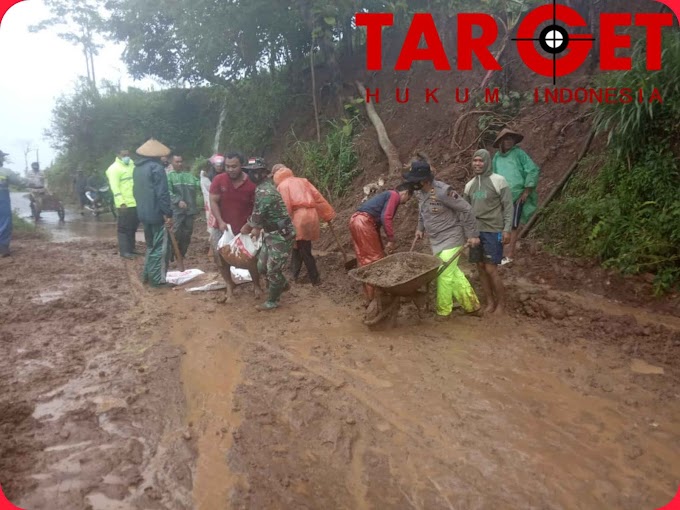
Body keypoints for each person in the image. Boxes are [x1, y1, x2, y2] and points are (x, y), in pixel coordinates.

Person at [403, 160, 481, 321]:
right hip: (436, 239)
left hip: (452, 236)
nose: (412, 183)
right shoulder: (421, 193)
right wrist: (420, 228)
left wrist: (473, 234)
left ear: (424, 180)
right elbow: (422, 212)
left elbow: (466, 208)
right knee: (453, 272)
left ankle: (444, 311)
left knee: (443, 273)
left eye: (414, 180)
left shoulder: (443, 191)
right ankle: (472, 306)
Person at [241, 159, 296, 311]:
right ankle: (282, 284)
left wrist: (249, 226)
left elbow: (257, 216)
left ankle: (273, 301)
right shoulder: (261, 189)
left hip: (281, 235)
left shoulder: (265, 191)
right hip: (271, 233)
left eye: (256, 171)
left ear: (264, 173)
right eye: (250, 172)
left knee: (273, 269)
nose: (252, 174)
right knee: (261, 266)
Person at [464, 149, 513, 314]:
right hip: (476, 233)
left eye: (481, 161)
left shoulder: (499, 181)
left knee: (491, 268)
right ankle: (489, 303)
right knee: (480, 267)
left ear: (487, 162)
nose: (477, 164)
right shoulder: (469, 186)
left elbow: (508, 206)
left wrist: (507, 229)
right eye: (475, 160)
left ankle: (501, 304)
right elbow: (466, 211)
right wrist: (469, 233)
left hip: (493, 230)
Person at [349, 182, 414, 304]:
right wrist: (391, 239)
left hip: (356, 221)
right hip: (364, 223)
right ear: (405, 193)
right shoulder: (394, 195)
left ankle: (369, 297)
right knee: (374, 261)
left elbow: (377, 225)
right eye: (408, 198)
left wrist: (381, 245)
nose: (406, 202)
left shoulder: (386, 195)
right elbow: (386, 217)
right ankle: (375, 297)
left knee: (365, 260)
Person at [272, 165, 336, 285]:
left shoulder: (282, 186)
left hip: (298, 218)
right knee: (298, 246)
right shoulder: (303, 181)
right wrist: (327, 214)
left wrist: (282, 226)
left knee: (304, 249)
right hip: (311, 215)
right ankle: (294, 275)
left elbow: (285, 208)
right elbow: (318, 198)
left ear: (275, 175)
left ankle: (315, 279)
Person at [492, 128, 540, 265]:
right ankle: (499, 254)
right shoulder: (496, 157)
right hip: (501, 196)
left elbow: (532, 169)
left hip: (517, 195)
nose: (509, 141)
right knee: (500, 224)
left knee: (513, 225)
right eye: (506, 139)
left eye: (511, 139)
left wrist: (526, 191)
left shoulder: (519, 153)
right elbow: (493, 175)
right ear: (501, 141)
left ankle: (510, 255)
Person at [133, 139, 174, 287]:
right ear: (157, 155)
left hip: (143, 213)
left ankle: (147, 275)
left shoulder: (137, 168)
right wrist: (168, 213)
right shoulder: (156, 168)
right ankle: (158, 281)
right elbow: (162, 194)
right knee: (161, 248)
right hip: (157, 214)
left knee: (150, 246)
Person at [209, 152, 256, 243]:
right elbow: (213, 201)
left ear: (242, 165)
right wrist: (220, 221)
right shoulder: (218, 180)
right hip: (222, 229)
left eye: (234, 167)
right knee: (219, 255)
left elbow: (257, 208)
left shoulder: (252, 183)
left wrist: (250, 225)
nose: (230, 169)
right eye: (227, 166)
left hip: (245, 231)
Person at [106, 149, 140, 259]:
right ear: (118, 155)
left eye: (128, 155)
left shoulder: (132, 164)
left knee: (133, 227)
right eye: (124, 155)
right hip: (124, 204)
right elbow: (114, 187)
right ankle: (124, 251)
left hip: (135, 202)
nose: (127, 157)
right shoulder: (114, 169)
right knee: (123, 228)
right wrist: (121, 203)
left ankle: (132, 248)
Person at [167, 154, 200, 258]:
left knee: (187, 233)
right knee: (176, 232)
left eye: (181, 161)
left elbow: (201, 185)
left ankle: (182, 254)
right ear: (172, 163)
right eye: (177, 161)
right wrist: (177, 201)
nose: (180, 164)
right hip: (177, 211)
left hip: (190, 210)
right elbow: (167, 192)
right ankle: (171, 254)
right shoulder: (169, 177)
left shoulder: (189, 176)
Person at [0, 150, 27, 257]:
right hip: (2, 197)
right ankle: (3, 247)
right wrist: (31, 183)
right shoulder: (5, 171)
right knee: (5, 220)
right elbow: (19, 181)